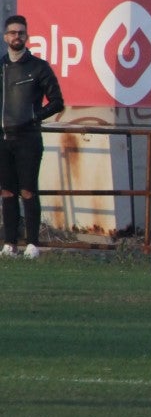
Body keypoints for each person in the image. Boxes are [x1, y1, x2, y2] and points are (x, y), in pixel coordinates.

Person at [0, 14, 64, 258]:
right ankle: (10, 243)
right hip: (3, 138)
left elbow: (57, 102)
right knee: (7, 191)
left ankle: (33, 244)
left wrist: (35, 116)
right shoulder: (1, 66)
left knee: (28, 190)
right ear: (6, 37)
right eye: (13, 32)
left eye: (21, 32)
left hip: (28, 138)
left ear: (27, 36)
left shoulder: (38, 67)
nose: (17, 36)